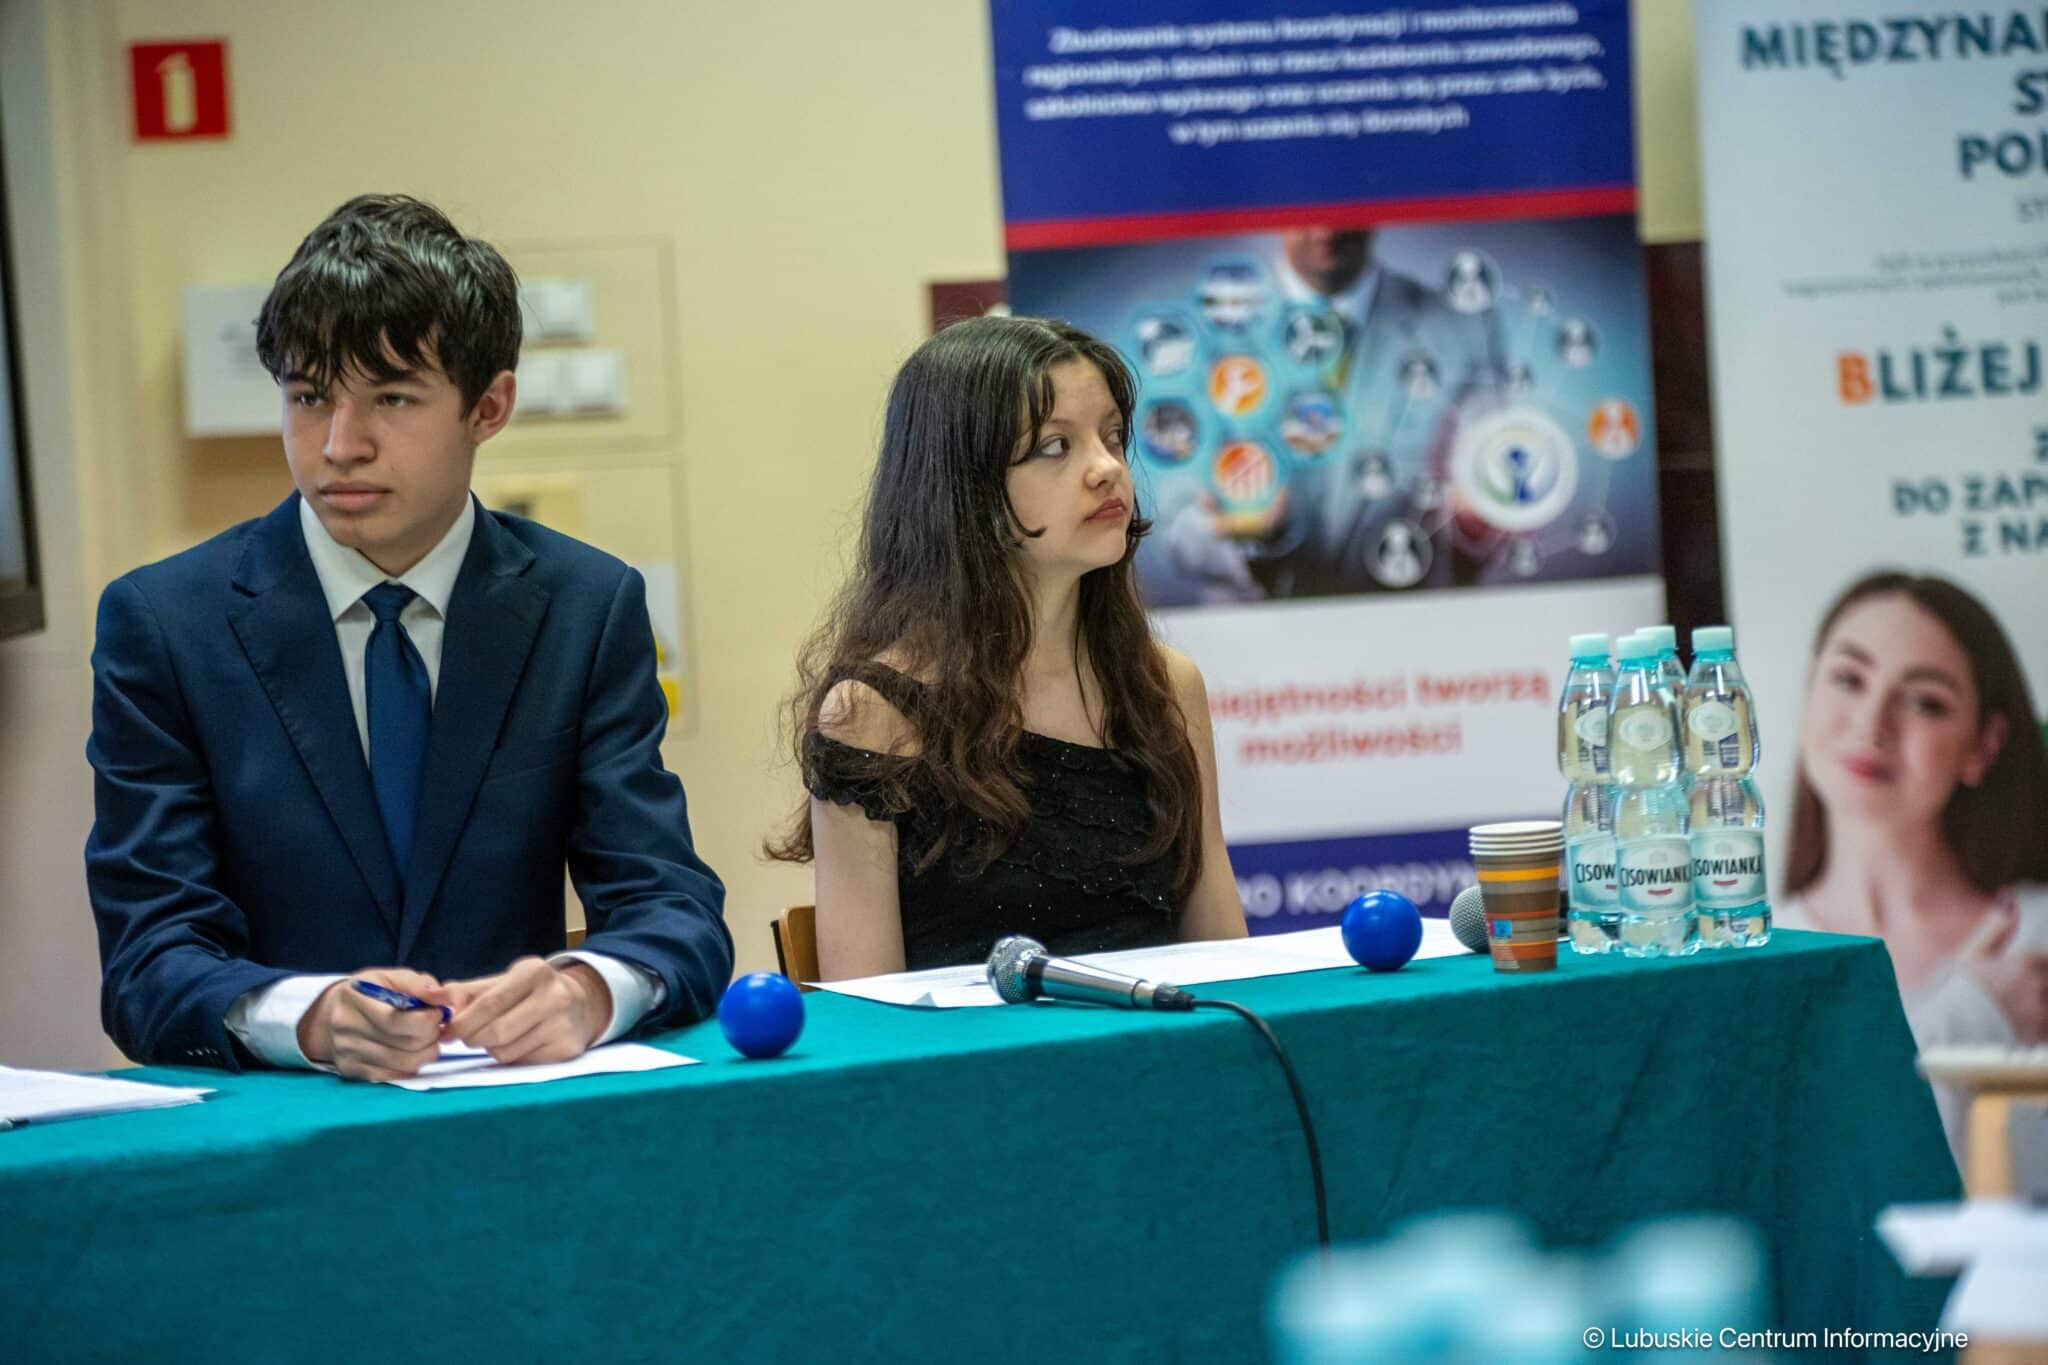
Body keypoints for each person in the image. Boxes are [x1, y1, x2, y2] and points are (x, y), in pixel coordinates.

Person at [85, 194, 732, 1080]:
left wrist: (586, 990)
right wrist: (307, 1017)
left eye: (390, 397)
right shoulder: (165, 625)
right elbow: (147, 960)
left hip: (519, 1120)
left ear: (490, 407)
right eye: (308, 396)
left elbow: (673, 908)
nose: (339, 445)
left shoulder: (585, 607)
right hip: (279, 1141)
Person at [767, 316, 1248, 978]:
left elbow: (1227, 965)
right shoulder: (872, 715)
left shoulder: (1167, 687)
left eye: (1112, 437)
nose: (1107, 469)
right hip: (971, 1077)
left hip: (1162, 1065)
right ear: (965, 491)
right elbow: (867, 1019)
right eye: (1056, 446)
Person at [1780, 571, 2048, 1160]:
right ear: (1808, 691)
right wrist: (1969, 1018)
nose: (1871, 724)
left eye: (1925, 701)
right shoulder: (1754, 956)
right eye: (1849, 679)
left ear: (1985, 745)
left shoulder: (2037, 943)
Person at [1161, 226, 1495, 602]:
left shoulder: (1461, 325)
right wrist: (1251, 537)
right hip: (1253, 637)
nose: (1325, 227)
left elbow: (1488, 516)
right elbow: (1174, 526)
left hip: (1410, 632)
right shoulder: (1200, 335)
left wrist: (1478, 526)